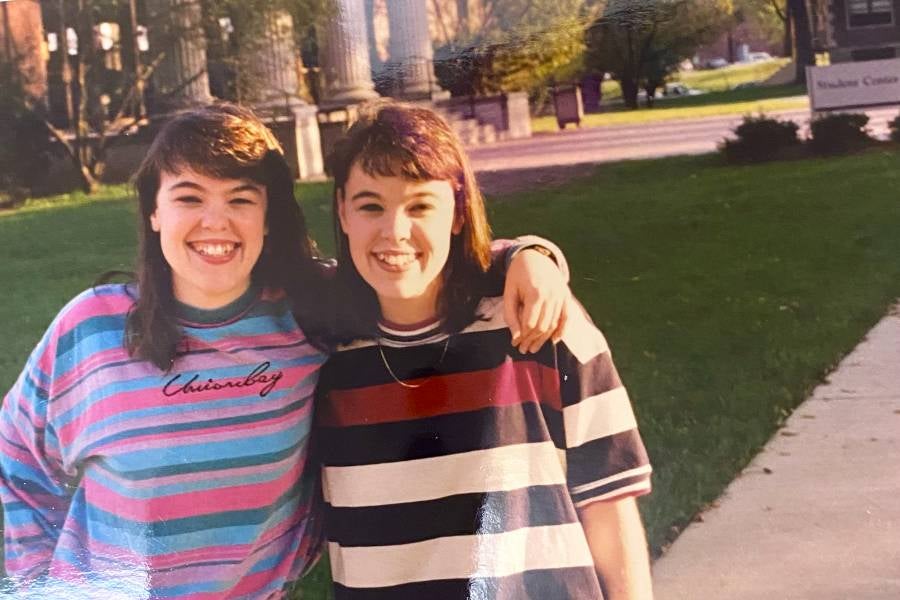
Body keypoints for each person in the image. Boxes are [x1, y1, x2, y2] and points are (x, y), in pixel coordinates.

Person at [0, 102, 568, 598]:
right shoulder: (92, 329)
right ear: (154, 211)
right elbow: (14, 462)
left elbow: (413, 266)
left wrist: (526, 256)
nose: (215, 222)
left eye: (240, 199)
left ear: (269, 217)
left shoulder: (307, 312)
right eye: (189, 197)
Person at [316, 102, 655, 600]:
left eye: (420, 206)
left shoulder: (538, 322)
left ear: (457, 212)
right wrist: (528, 253)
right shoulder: (318, 349)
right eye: (371, 206)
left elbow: (609, 500)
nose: (395, 231)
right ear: (343, 210)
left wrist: (529, 257)